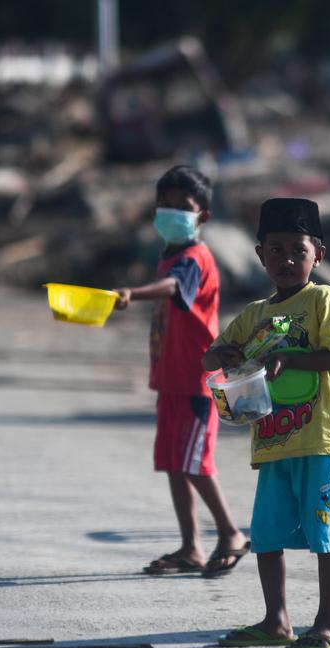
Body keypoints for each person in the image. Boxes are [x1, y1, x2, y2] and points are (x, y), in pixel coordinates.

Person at [203, 197, 330, 648]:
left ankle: (327, 624)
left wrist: (288, 357)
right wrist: (227, 356)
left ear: (319, 254)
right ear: (259, 255)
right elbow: (211, 355)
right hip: (274, 443)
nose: (286, 259)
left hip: (321, 440)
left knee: (326, 535)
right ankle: (277, 620)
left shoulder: (322, 299)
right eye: (275, 250)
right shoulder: (254, 314)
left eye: (298, 249)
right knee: (267, 536)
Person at [113, 165, 249, 577]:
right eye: (165, 205)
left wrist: (131, 293)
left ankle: (231, 534)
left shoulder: (193, 258)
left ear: (203, 216)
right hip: (171, 379)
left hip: (195, 381)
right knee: (175, 462)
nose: (171, 213)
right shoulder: (170, 254)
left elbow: (174, 288)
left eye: (182, 207)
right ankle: (191, 545)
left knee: (194, 462)